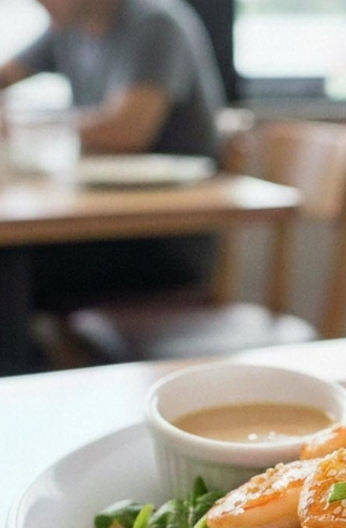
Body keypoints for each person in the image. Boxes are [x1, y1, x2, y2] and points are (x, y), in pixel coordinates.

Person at [0, 0, 226, 311]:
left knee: (10, 266)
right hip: (91, 223)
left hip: (158, 239)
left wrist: (28, 123)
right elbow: (7, 73)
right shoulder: (68, 28)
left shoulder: (154, 23)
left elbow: (128, 130)